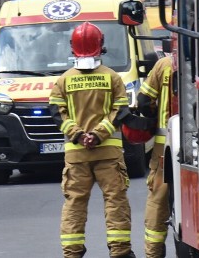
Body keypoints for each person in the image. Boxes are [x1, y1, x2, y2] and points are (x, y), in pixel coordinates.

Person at [48, 22, 135, 258]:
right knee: (115, 201)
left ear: (72, 47)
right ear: (101, 45)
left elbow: (57, 113)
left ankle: (72, 252)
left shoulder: (63, 80)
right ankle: (120, 251)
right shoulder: (112, 77)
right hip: (108, 153)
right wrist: (98, 134)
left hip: (76, 155)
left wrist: (78, 135)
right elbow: (121, 110)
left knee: (74, 203)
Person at [139, 55, 173, 258]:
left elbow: (144, 100)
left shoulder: (164, 64)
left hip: (165, 145)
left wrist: (154, 117)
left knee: (158, 200)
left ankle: (154, 252)